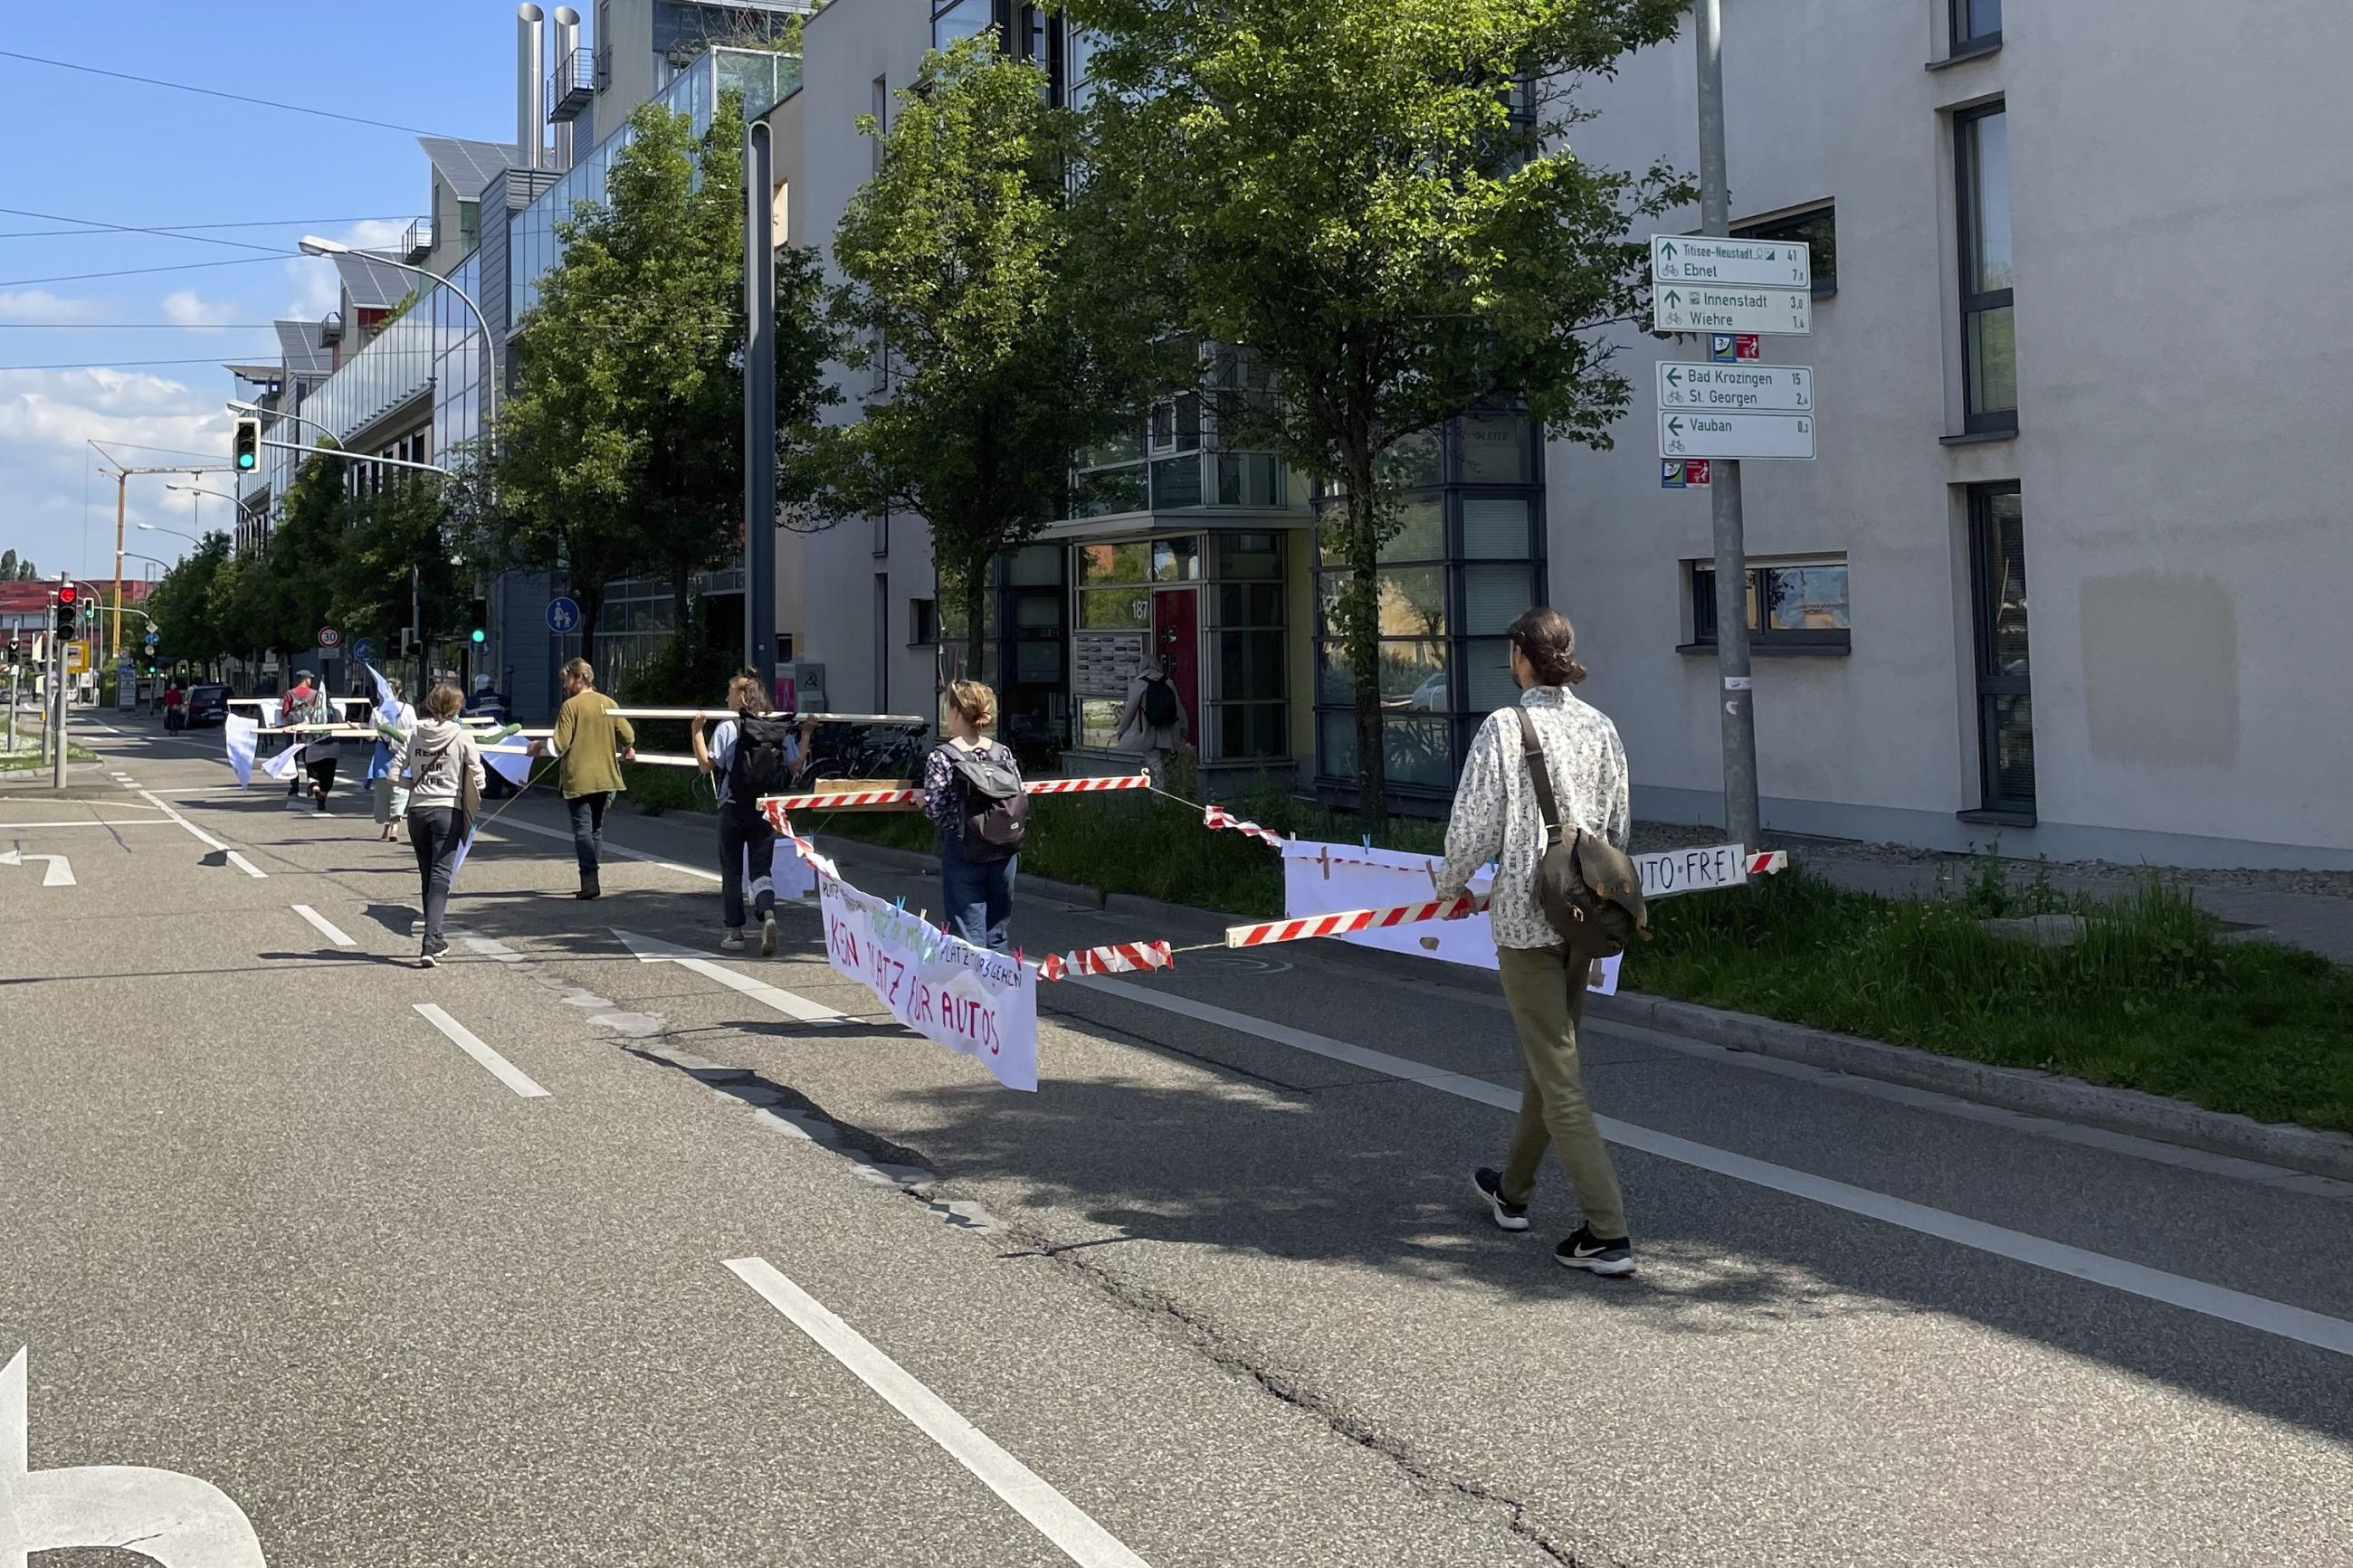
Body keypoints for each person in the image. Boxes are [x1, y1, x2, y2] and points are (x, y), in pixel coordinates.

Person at [1434, 606, 1637, 1278]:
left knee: (1559, 1073)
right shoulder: (1601, 727)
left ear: (1521, 654)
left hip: (1525, 920)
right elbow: (1617, 829)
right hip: (1584, 916)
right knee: (1550, 1058)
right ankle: (1512, 1191)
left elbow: (1474, 827)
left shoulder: (1504, 727)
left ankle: (1607, 1233)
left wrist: (1451, 884)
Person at [691, 674, 816, 955]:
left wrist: (697, 731)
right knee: (761, 870)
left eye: (730, 692)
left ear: (743, 697)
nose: (727, 698)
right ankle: (768, 913)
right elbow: (796, 765)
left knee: (732, 872)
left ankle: (735, 934)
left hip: (733, 806)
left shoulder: (728, 727)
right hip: (766, 809)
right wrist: (807, 733)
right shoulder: (776, 727)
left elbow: (706, 765)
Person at [920, 679, 1026, 953]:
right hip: (1005, 847)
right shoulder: (1001, 752)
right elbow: (1019, 796)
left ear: (956, 712)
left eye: (947, 707)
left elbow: (936, 808)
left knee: (968, 934)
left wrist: (923, 802)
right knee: (997, 930)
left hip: (964, 847)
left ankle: (973, 981)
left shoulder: (943, 756)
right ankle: (1001, 978)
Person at [528, 656, 635, 899]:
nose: (564, 685)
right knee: (595, 829)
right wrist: (628, 748)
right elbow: (627, 733)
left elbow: (560, 743)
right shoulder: (608, 702)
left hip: (579, 778)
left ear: (578, 678)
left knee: (583, 830)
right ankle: (591, 878)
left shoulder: (571, 706)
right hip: (607, 776)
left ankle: (589, 879)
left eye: (566, 679)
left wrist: (538, 745)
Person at [395, 682, 487, 967]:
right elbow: (479, 777)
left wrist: (413, 785)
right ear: (457, 707)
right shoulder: (461, 736)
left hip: (417, 812)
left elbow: (392, 772)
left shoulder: (414, 734)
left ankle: (435, 938)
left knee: (428, 875)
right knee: (441, 877)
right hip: (448, 810)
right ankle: (431, 940)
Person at [1113, 655, 1188, 785]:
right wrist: (1183, 729)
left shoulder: (1139, 684)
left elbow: (1129, 712)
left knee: (1147, 764)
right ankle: (1164, 790)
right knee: (1165, 766)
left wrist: (1121, 731)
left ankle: (1153, 790)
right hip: (1167, 734)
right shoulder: (1168, 682)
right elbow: (1178, 707)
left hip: (1145, 733)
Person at [369, 677, 420, 844]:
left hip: (383, 752)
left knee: (383, 789)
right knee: (400, 788)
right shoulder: (408, 709)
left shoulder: (377, 711)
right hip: (403, 751)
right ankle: (395, 823)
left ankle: (387, 824)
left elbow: (371, 736)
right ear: (400, 692)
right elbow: (414, 732)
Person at [280, 670, 338, 813]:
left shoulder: (290, 694)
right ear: (306, 680)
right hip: (313, 735)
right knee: (310, 763)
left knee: (292, 759)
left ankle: (294, 787)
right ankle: (312, 782)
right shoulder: (315, 694)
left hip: (295, 731)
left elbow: (285, 712)